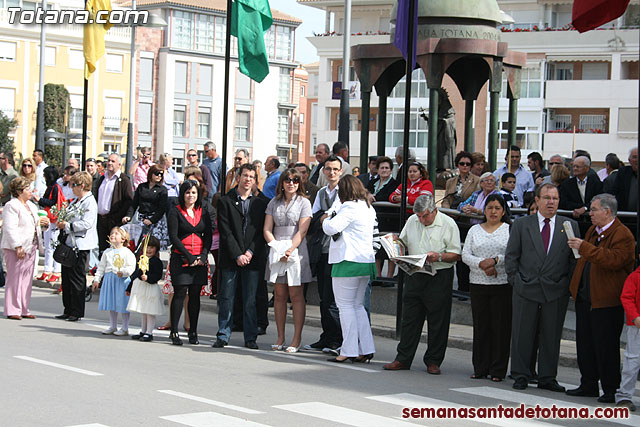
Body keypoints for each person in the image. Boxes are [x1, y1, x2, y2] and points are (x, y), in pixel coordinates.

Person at [505, 183, 580, 392]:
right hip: (526, 287)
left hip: (555, 289)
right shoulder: (522, 224)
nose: (551, 202)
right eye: (546, 198)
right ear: (537, 200)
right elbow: (512, 256)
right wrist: (516, 281)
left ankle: (547, 377)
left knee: (551, 334)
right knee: (522, 332)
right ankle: (520, 374)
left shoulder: (569, 225)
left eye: (555, 198)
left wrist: (567, 284)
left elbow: (574, 260)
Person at [566, 194, 635, 403]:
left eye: (594, 209)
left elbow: (613, 260)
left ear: (607, 211)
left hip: (606, 300)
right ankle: (588, 383)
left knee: (605, 346)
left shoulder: (623, 234)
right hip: (586, 296)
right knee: (585, 343)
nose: (590, 213)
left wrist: (584, 247)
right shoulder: (592, 231)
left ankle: (610, 388)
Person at [383, 194, 461, 374]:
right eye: (419, 216)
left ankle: (433, 360)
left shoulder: (448, 224)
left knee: (438, 320)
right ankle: (403, 358)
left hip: (439, 274)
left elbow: (456, 254)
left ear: (434, 211)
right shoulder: (412, 221)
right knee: (409, 318)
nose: (422, 219)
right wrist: (394, 244)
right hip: (415, 273)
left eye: (425, 216)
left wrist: (439, 256)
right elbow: (403, 242)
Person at [322, 175, 377, 363]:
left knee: (345, 307)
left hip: (348, 261)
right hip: (365, 261)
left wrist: (326, 218)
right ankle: (365, 348)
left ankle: (348, 350)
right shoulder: (368, 207)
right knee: (357, 306)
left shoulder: (349, 207)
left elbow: (331, 228)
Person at [214, 164, 268, 349]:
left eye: (252, 177)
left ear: (255, 180)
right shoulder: (225, 201)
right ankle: (223, 334)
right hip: (231, 258)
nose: (248, 179)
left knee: (250, 300)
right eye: (245, 175)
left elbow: (260, 232)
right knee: (227, 298)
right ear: (239, 177)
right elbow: (225, 230)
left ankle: (250, 337)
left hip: (252, 259)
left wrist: (249, 252)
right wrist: (237, 253)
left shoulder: (261, 203)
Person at [462, 194, 512, 381]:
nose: (493, 211)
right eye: (490, 207)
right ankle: (480, 367)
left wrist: (495, 262)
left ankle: (498, 370)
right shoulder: (474, 230)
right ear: (484, 210)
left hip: (502, 283)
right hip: (478, 283)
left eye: (497, 208)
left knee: (500, 328)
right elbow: (465, 254)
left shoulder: (509, 229)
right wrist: (482, 264)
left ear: (503, 211)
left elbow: (512, 253)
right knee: (481, 327)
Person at [263, 169, 312, 353]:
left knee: (296, 294)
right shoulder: (273, 202)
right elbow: (267, 228)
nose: (291, 183)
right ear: (282, 183)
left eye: (295, 180)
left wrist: (291, 249)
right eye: (288, 180)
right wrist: (276, 247)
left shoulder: (304, 202)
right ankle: (280, 336)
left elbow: (303, 230)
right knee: (279, 294)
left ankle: (296, 337)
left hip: (296, 250)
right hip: (277, 249)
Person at [167, 180, 213, 346]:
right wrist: (189, 256)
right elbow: (173, 236)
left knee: (195, 295)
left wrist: (203, 255)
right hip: (181, 258)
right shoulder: (175, 211)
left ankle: (193, 331)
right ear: (182, 194)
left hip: (199, 259)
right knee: (180, 293)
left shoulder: (203, 210)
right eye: (187, 192)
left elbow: (208, 234)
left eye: (194, 192)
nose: (191, 196)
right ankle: (174, 331)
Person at [305, 155, 343, 353]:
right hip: (322, 250)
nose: (332, 172)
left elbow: (337, 217)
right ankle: (326, 336)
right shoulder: (321, 192)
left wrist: (326, 217)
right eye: (328, 169)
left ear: (341, 171)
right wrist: (324, 217)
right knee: (324, 297)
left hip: (337, 250)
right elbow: (314, 218)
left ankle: (337, 338)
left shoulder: (344, 192)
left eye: (335, 169)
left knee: (334, 299)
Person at [1, 177, 48, 319]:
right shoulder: (12, 205)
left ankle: (24, 308)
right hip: (17, 247)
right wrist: (17, 245)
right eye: (28, 189)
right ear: (19, 191)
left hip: (31, 246)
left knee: (27, 280)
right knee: (14, 278)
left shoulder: (32, 206)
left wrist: (44, 225)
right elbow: (10, 227)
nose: (31, 191)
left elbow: (36, 225)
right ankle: (12, 309)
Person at [55, 172, 98, 321]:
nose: (72, 188)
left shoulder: (89, 202)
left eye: (74, 185)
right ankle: (68, 308)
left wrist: (67, 225)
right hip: (69, 243)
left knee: (77, 279)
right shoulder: (76, 201)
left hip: (81, 244)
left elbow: (87, 223)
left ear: (83, 186)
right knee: (66, 278)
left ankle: (77, 311)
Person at [92, 227, 136, 336]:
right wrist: (97, 279)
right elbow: (101, 267)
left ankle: (125, 327)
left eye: (116, 234)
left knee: (122, 303)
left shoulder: (127, 252)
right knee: (112, 303)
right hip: (109, 279)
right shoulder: (107, 252)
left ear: (123, 239)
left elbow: (131, 267)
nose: (113, 235)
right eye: (112, 233)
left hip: (122, 280)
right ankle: (113, 325)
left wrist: (124, 272)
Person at [126, 236, 165, 342]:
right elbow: (136, 273)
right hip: (141, 287)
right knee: (143, 310)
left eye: (152, 247)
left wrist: (148, 278)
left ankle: (149, 332)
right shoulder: (141, 259)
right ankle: (143, 331)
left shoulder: (156, 262)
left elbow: (157, 276)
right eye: (147, 247)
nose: (148, 250)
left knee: (150, 311)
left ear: (156, 249)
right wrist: (129, 287)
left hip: (150, 288)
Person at [122, 164, 169, 250]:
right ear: (151, 174)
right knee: (140, 244)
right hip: (142, 219)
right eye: (157, 173)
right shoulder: (142, 187)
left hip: (155, 221)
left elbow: (162, 208)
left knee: (153, 246)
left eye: (161, 174)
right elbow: (134, 203)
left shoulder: (162, 190)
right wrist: (128, 216)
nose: (159, 176)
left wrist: (152, 220)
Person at [95, 153, 134, 255]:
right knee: (102, 249)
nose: (109, 163)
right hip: (101, 219)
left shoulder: (124, 180)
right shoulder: (102, 179)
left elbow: (129, 200)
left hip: (114, 220)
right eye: (108, 161)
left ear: (119, 164)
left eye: (113, 161)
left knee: (115, 249)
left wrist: (122, 215)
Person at [616, 265, 640, 412]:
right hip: (637, 326)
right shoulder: (634, 277)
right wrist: (635, 316)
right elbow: (626, 297)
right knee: (632, 360)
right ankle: (624, 396)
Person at [35, 166, 65, 283]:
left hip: (53, 219)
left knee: (53, 245)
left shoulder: (55, 187)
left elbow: (53, 202)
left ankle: (56, 270)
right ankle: (47, 269)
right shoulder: (52, 187)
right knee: (48, 245)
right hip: (50, 218)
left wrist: (39, 200)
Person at [559, 156, 603, 220]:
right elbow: (564, 202)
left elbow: (599, 199)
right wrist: (580, 208)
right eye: (573, 166)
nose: (575, 169)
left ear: (587, 168)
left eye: (578, 167)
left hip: (592, 221)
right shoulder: (566, 184)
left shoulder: (596, 183)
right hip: (574, 219)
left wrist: (585, 208)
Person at [613, 147, 638, 212]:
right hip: (625, 216)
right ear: (629, 160)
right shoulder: (623, 173)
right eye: (634, 157)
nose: (637, 160)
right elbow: (614, 192)